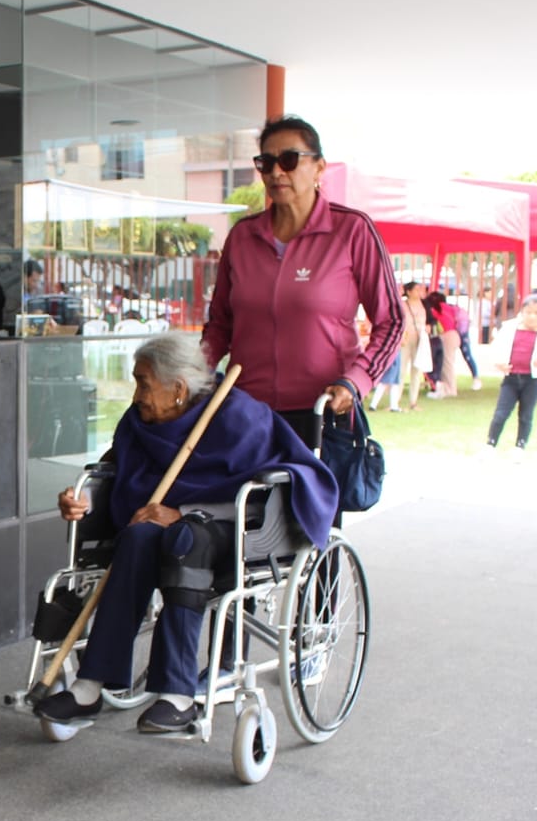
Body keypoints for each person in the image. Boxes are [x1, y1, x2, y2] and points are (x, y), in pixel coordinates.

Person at [35, 333, 338, 734]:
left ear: (177, 389)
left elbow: (264, 496)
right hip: (165, 528)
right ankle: (90, 686)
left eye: (144, 384)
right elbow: (117, 471)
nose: (136, 395)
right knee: (135, 537)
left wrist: (186, 512)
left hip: (232, 528)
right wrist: (83, 500)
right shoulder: (140, 423)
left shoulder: (238, 417)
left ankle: (176, 696)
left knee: (185, 539)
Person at [203, 115, 403, 452]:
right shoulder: (242, 237)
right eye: (266, 163)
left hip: (324, 413)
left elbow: (392, 321)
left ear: (319, 167)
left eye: (289, 160)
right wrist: (193, 374)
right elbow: (220, 325)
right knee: (237, 490)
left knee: (318, 490)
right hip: (249, 414)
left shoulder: (352, 230)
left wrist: (356, 381)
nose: (276, 172)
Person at [484, 295, 537, 453]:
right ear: (522, 312)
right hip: (512, 377)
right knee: (501, 413)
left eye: (536, 313)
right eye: (528, 312)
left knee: (526, 414)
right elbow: (496, 348)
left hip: (533, 379)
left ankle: (520, 446)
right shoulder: (510, 328)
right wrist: (499, 363)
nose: (532, 316)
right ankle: (490, 444)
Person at [427, 290, 479, 392]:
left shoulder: (435, 309)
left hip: (447, 336)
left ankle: (449, 389)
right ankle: (447, 388)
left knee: (446, 364)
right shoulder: (450, 308)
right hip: (455, 335)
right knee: (449, 362)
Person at [397, 281, 431, 411]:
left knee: (416, 370)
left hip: (420, 340)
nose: (419, 292)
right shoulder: (403, 304)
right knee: (401, 369)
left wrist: (427, 327)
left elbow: (430, 320)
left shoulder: (424, 304)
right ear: (409, 292)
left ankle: (413, 401)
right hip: (406, 339)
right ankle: (396, 400)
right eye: (416, 289)